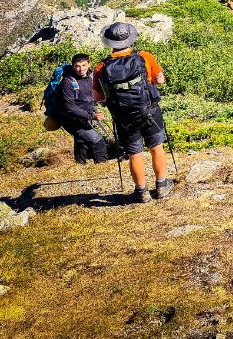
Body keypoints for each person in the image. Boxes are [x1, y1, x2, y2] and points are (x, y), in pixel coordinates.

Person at [92, 22, 174, 203]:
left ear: (110, 42)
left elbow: (97, 97)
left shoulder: (101, 67)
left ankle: (142, 192)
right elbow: (159, 80)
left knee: (135, 154)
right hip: (150, 111)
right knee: (156, 147)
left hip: (123, 117)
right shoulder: (144, 57)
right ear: (130, 39)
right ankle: (161, 186)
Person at [51, 53, 110, 164]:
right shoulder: (68, 83)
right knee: (98, 141)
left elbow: (93, 96)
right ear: (73, 66)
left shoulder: (91, 77)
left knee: (81, 140)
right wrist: (91, 116)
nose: (81, 69)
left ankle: (80, 164)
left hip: (84, 116)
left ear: (89, 64)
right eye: (77, 66)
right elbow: (69, 107)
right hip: (70, 119)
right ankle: (102, 167)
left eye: (84, 65)